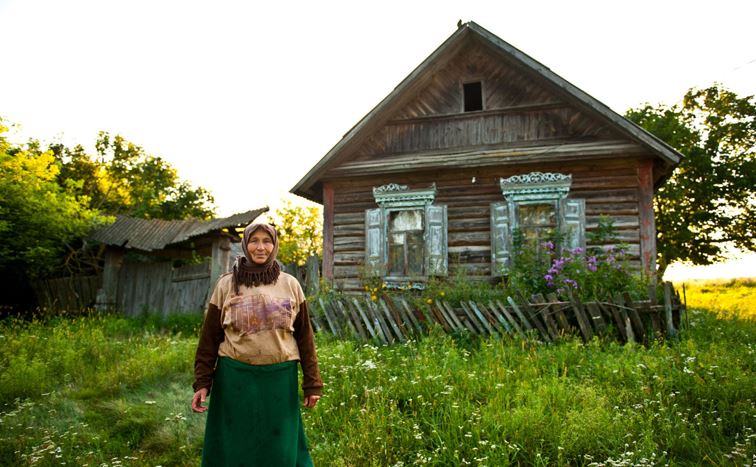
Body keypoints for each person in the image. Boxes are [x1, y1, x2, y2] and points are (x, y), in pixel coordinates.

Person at [191, 222, 323, 466]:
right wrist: (202, 382)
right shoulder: (226, 284)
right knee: (235, 445)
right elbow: (209, 339)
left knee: (279, 447)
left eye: (267, 241)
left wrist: (312, 384)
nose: (260, 247)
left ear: (274, 245)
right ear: (245, 244)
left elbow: (305, 338)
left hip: (279, 379)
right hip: (235, 379)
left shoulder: (290, 284)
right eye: (254, 240)